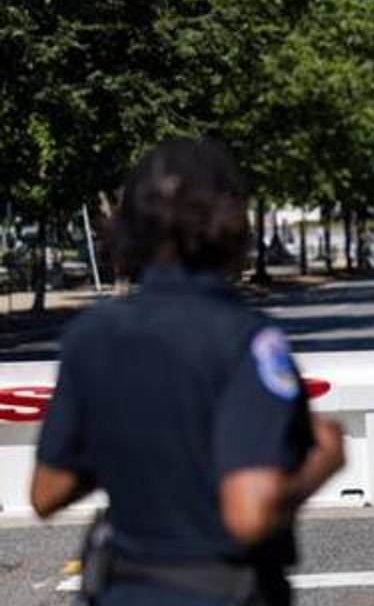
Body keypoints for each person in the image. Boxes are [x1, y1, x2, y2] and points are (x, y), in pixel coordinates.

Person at [30, 138, 346, 606]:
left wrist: (141, 441)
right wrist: (324, 458)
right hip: (220, 588)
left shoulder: (90, 334)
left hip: (123, 587)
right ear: (230, 222)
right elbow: (249, 511)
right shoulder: (245, 339)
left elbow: (47, 491)